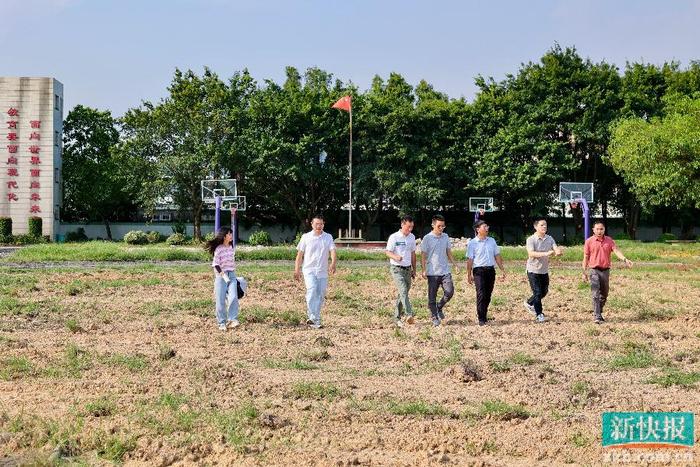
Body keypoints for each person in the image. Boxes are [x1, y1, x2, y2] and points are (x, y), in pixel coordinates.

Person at [582, 222, 633, 324]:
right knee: (595, 293)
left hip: (605, 271)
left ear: (604, 229)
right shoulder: (589, 241)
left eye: (601, 229)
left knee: (604, 294)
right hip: (594, 270)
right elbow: (586, 257)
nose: (599, 231)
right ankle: (597, 316)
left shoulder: (609, 240)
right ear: (593, 230)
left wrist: (625, 259)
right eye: (597, 229)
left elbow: (616, 251)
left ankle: (598, 310)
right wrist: (584, 272)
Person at [294, 215, 337, 329]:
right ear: (312, 224)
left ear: (324, 224)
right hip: (309, 269)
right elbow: (300, 255)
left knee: (321, 294)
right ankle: (312, 316)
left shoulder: (328, 237)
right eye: (317, 224)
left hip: (322, 271)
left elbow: (332, 251)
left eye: (321, 224)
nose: (319, 226)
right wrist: (297, 270)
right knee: (312, 289)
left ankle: (316, 318)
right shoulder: (306, 237)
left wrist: (333, 263)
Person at [466, 220, 506, 326]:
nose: (487, 228)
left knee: (488, 295)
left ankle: (484, 314)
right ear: (478, 229)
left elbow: (497, 256)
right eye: (484, 226)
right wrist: (469, 274)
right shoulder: (472, 243)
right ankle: (481, 318)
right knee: (481, 294)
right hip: (479, 271)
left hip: (490, 270)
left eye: (487, 226)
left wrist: (502, 269)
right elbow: (470, 260)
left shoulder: (492, 241)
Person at [420, 214, 457, 327]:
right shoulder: (427, 238)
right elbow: (423, 255)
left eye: (443, 226)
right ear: (433, 225)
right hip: (432, 272)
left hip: (445, 271)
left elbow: (448, 252)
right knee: (432, 296)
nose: (441, 228)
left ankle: (439, 306)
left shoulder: (445, 237)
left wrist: (455, 264)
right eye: (439, 226)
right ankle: (434, 316)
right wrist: (423, 269)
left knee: (449, 291)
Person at [523, 218, 562, 323]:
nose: (544, 227)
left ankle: (529, 302)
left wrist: (558, 251)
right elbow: (531, 253)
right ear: (535, 227)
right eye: (542, 225)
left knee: (544, 292)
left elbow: (555, 247)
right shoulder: (531, 239)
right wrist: (545, 253)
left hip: (544, 270)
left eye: (545, 225)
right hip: (532, 270)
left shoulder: (549, 238)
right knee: (537, 292)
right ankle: (539, 314)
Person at [206, 220, 240, 331]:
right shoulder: (218, 249)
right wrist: (222, 274)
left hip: (232, 275)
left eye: (231, 233)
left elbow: (233, 225)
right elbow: (215, 264)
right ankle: (221, 323)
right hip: (221, 276)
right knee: (220, 300)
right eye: (229, 234)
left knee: (234, 297)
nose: (231, 235)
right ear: (224, 236)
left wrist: (233, 214)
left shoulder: (231, 247)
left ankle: (232, 319)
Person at [385, 215, 417, 327]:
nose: (410, 229)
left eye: (412, 227)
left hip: (408, 270)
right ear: (402, 224)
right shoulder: (394, 237)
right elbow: (387, 252)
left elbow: (413, 254)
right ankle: (409, 314)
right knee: (403, 290)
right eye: (408, 227)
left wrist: (414, 270)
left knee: (402, 294)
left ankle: (397, 317)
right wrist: (395, 257)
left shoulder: (412, 237)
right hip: (396, 269)